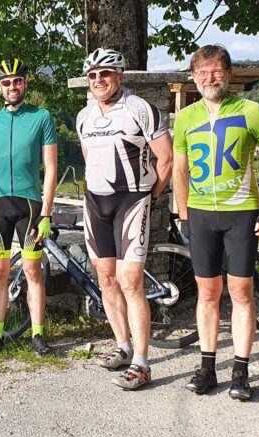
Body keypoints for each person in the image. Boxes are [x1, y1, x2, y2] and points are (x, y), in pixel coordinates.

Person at [171, 45, 259, 401]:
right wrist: (183, 214)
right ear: (193, 77)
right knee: (207, 293)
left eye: (216, 71)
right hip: (201, 215)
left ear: (228, 74)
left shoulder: (250, 111)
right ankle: (207, 368)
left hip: (240, 214)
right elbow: (179, 170)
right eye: (202, 72)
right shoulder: (186, 117)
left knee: (240, 291)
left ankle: (240, 371)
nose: (210, 78)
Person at [76, 48, 174, 390]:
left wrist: (151, 196)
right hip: (95, 203)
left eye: (105, 73)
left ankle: (142, 363)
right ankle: (123, 345)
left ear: (120, 75)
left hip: (131, 200)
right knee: (106, 279)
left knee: (131, 281)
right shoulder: (84, 116)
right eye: (92, 75)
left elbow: (166, 159)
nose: (98, 80)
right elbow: (90, 158)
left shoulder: (139, 108)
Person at [0, 59, 59, 356]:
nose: (12, 86)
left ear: (25, 83)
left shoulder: (41, 117)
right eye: (7, 82)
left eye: (18, 80)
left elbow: (51, 168)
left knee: (33, 270)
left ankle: (38, 334)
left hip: (30, 206)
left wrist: (46, 213)